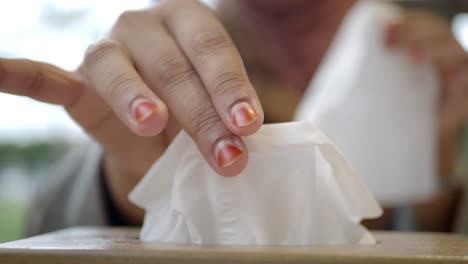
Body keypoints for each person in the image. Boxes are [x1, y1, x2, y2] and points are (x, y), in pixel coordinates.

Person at [0, 0, 466, 235]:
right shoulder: (158, 92)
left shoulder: (425, 84)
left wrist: (433, 182)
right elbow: (48, 230)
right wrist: (134, 189)